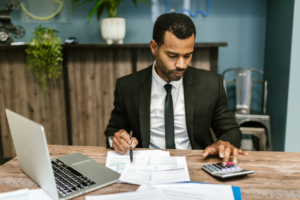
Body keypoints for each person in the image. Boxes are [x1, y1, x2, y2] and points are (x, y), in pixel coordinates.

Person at [105, 13, 247, 165]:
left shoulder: (211, 84)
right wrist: (116, 140)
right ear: (154, 47)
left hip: (197, 164)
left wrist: (224, 142)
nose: (181, 64)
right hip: (146, 165)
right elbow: (113, 132)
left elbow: (231, 130)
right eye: (172, 55)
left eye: (187, 55)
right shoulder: (127, 86)